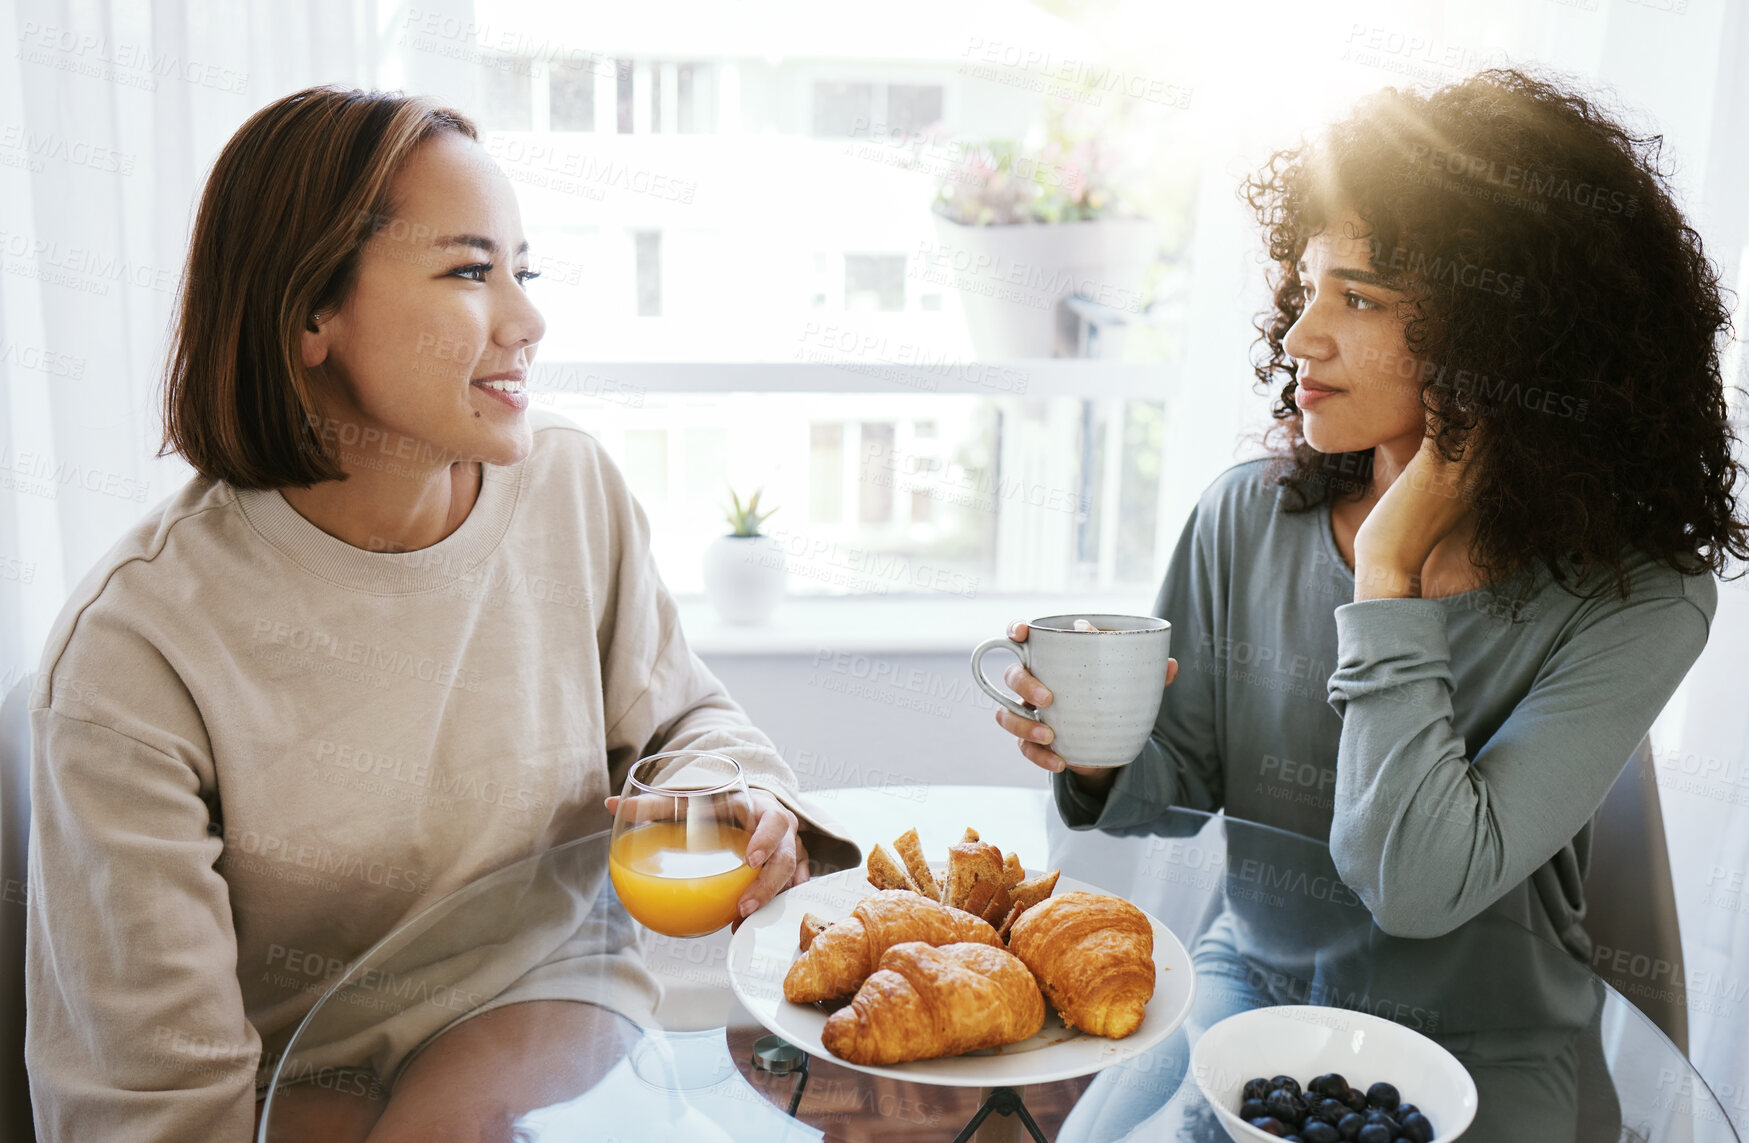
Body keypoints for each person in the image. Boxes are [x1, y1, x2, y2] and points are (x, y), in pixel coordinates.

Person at [25, 86, 854, 1143]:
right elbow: (155, 1101)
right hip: (288, 1084)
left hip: (552, 1011)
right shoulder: (136, 653)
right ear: (309, 314)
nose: (529, 320)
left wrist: (720, 787)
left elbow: (686, 721)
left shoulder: (569, 489)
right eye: (470, 271)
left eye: (524, 269)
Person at [992, 67, 1746, 1139]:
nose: (1301, 336)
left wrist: (1386, 571)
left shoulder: (1639, 600)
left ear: (1508, 339)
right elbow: (1182, 791)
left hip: (1485, 1052)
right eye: (1305, 289)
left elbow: (1415, 884)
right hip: (1249, 987)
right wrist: (1100, 753)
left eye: (1359, 298)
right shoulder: (1243, 519)